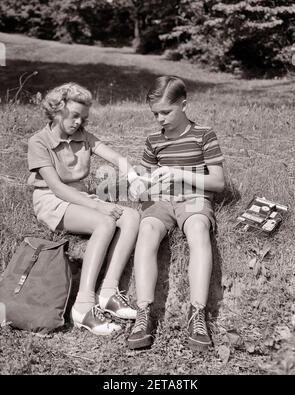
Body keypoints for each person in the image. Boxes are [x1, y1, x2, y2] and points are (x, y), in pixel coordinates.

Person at [27, 82, 144, 336]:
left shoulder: (83, 137)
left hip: (80, 197)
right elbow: (57, 188)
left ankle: (109, 293)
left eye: (84, 117)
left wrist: (132, 174)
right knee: (105, 222)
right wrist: (97, 205)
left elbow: (116, 158)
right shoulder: (39, 142)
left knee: (132, 217)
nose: (79, 122)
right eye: (74, 116)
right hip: (52, 201)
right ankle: (82, 306)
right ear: (57, 112)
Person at [127, 76, 225, 351]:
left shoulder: (203, 135)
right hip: (161, 200)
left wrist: (178, 173)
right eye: (155, 113)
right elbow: (145, 177)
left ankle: (197, 313)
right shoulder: (153, 140)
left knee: (197, 230)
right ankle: (143, 312)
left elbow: (218, 183)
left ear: (184, 105)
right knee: (146, 233)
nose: (159, 119)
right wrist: (138, 184)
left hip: (193, 199)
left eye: (166, 112)